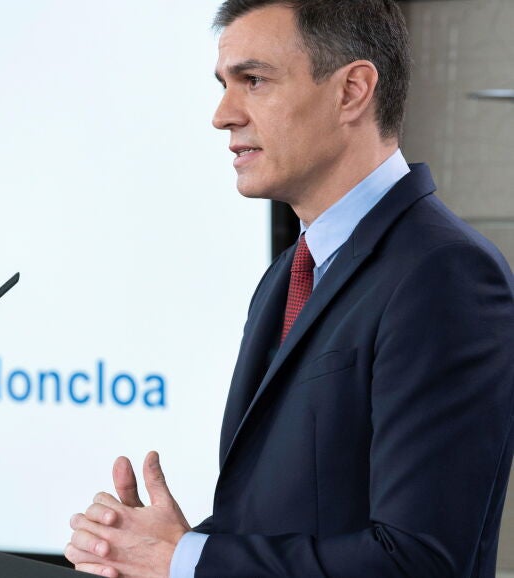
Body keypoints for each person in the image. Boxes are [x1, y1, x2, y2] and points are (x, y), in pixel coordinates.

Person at [65, 1, 514, 576]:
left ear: (352, 91)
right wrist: (164, 550)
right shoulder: (289, 272)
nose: (223, 115)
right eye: (224, 85)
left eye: (254, 80)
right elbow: (292, 519)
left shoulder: (445, 273)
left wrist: (187, 561)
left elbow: (418, 562)